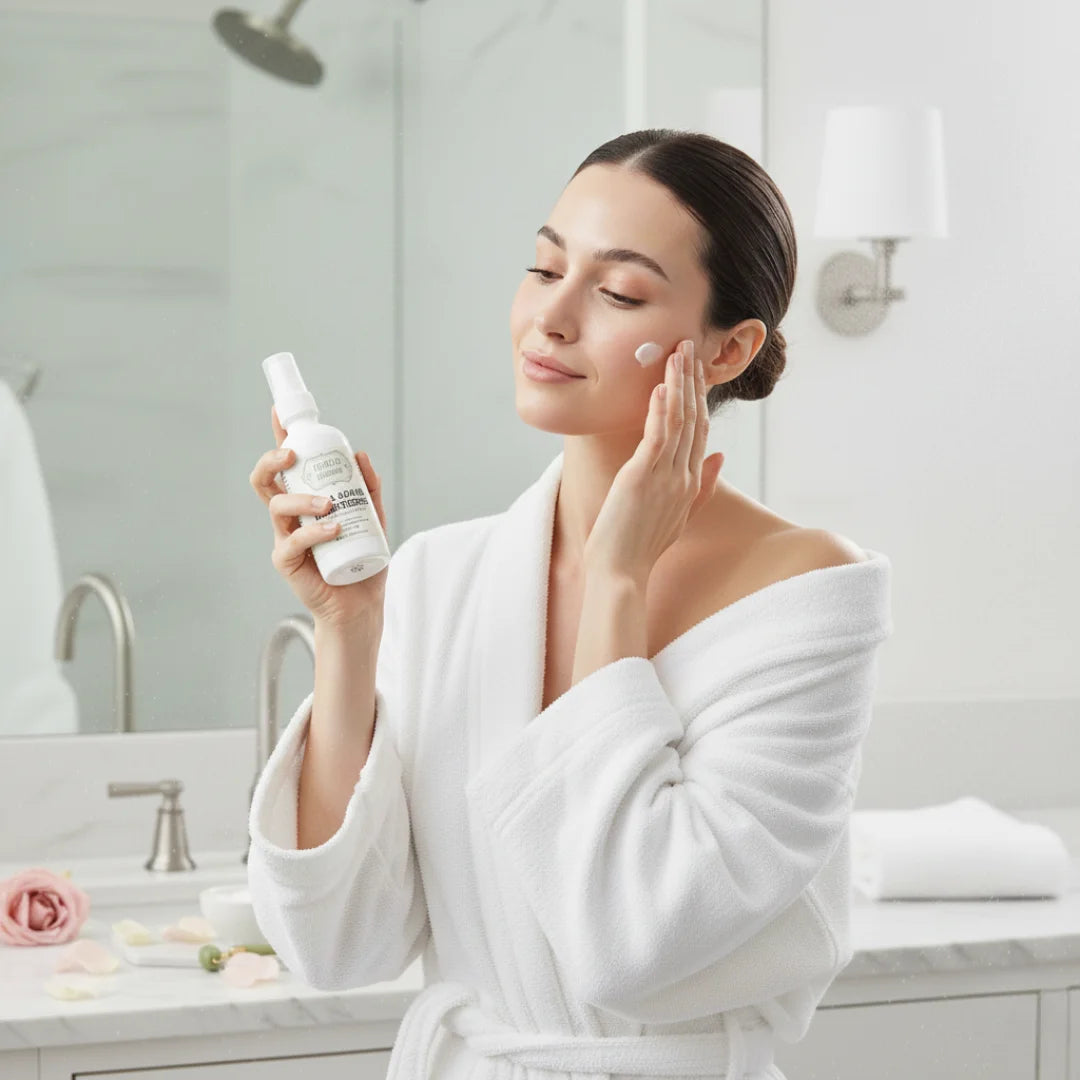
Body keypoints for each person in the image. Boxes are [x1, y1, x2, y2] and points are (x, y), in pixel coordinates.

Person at [247, 128, 893, 1080]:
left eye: (618, 292)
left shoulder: (803, 596)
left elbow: (631, 940)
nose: (550, 317)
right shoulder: (443, 576)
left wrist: (618, 578)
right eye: (545, 268)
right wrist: (348, 630)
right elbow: (336, 946)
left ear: (728, 348)